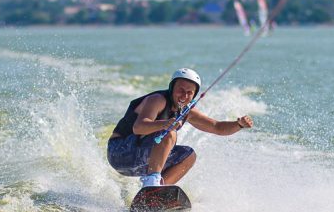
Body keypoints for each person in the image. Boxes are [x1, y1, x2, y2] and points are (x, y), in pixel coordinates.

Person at [107, 68, 253, 188]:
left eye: (189, 93)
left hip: (140, 159)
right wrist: (164, 124)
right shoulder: (157, 100)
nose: (184, 95)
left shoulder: (186, 111)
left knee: (189, 155)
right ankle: (151, 184)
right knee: (169, 134)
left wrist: (238, 125)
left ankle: (156, 194)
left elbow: (217, 127)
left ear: (194, 95)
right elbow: (139, 127)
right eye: (181, 90)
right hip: (119, 152)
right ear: (172, 88)